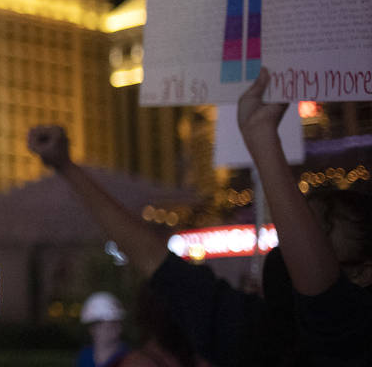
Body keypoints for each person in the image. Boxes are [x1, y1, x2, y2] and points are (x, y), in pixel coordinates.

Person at [27, 69, 372, 367]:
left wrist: (262, 136)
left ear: (364, 270)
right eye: (296, 227)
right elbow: (154, 259)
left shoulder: (350, 336)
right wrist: (67, 167)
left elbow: (325, 299)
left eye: (320, 228)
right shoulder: (255, 330)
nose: (299, 238)